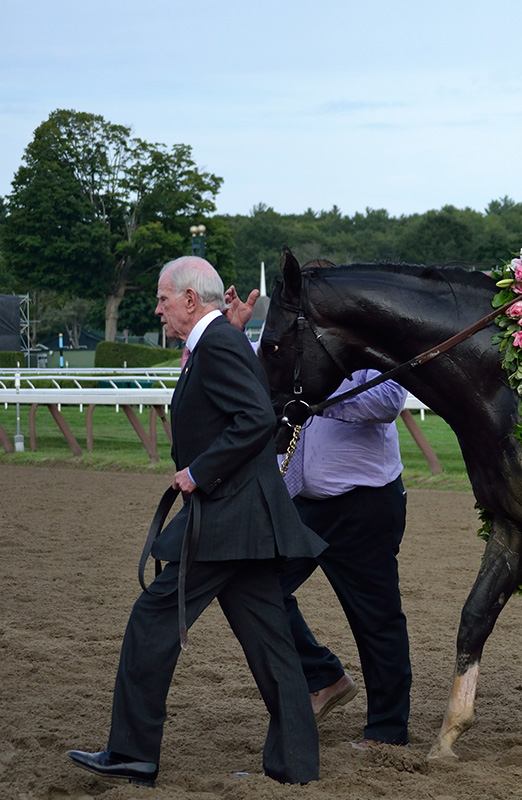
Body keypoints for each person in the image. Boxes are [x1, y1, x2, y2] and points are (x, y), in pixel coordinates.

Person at [67, 256, 326, 787]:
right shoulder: (219, 341)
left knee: (151, 619)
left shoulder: (218, 344)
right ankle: (296, 766)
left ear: (190, 299)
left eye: (164, 299)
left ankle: (132, 754)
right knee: (272, 644)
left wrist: (197, 473)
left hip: (226, 517)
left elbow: (256, 417)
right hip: (241, 520)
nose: (158, 309)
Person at [226, 285, 413, 751]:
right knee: (254, 584)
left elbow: (389, 400)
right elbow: (245, 376)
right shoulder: (291, 340)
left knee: (376, 618)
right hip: (302, 502)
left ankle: (387, 732)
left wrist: (316, 392)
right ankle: (324, 675)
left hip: (364, 503)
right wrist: (232, 333)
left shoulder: (370, 340)